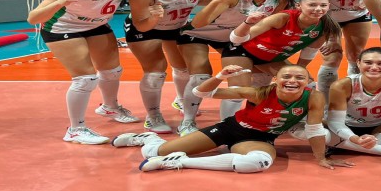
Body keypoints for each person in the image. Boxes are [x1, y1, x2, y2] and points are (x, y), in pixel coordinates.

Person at [112, 64, 355, 172]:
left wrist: (321, 158)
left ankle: (180, 162)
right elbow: (200, 92)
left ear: (308, 82)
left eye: (299, 78)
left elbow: (314, 129)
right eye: (287, 77)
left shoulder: (313, 97)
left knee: (256, 163)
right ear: (276, 80)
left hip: (260, 139)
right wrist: (220, 76)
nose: (292, 81)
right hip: (230, 129)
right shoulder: (258, 93)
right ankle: (147, 138)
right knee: (152, 153)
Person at [27, 0, 151, 144]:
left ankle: (110, 107)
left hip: (96, 25)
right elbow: (33, 18)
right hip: (63, 27)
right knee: (85, 79)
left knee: (113, 71)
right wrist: (61, 2)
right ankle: (75, 130)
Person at [175, 0, 294, 135]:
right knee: (201, 75)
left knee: (262, 75)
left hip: (233, 38)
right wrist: (218, 1)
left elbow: (269, 27)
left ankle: (252, 117)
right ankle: (187, 122)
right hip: (199, 34)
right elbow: (197, 23)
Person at [124, 0, 210, 134]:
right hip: (146, 27)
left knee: (183, 68)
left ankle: (181, 100)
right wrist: (155, 17)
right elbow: (142, 25)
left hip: (175, 27)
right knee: (155, 72)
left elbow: (199, 0)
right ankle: (153, 116)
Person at [220, 0, 342, 82]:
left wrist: (300, 70)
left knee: (306, 82)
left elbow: (309, 51)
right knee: (237, 93)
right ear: (299, 5)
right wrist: (248, 22)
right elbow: (236, 39)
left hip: (271, 59)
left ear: (329, 6)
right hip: (242, 51)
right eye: (312, 5)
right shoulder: (283, 18)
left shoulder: (326, 27)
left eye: (323, 5)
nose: (318, 9)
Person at [306, 0, 372, 107]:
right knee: (332, 56)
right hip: (328, 18)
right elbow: (316, 9)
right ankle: (326, 104)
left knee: (356, 56)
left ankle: (354, 100)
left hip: (357, 17)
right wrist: (330, 38)